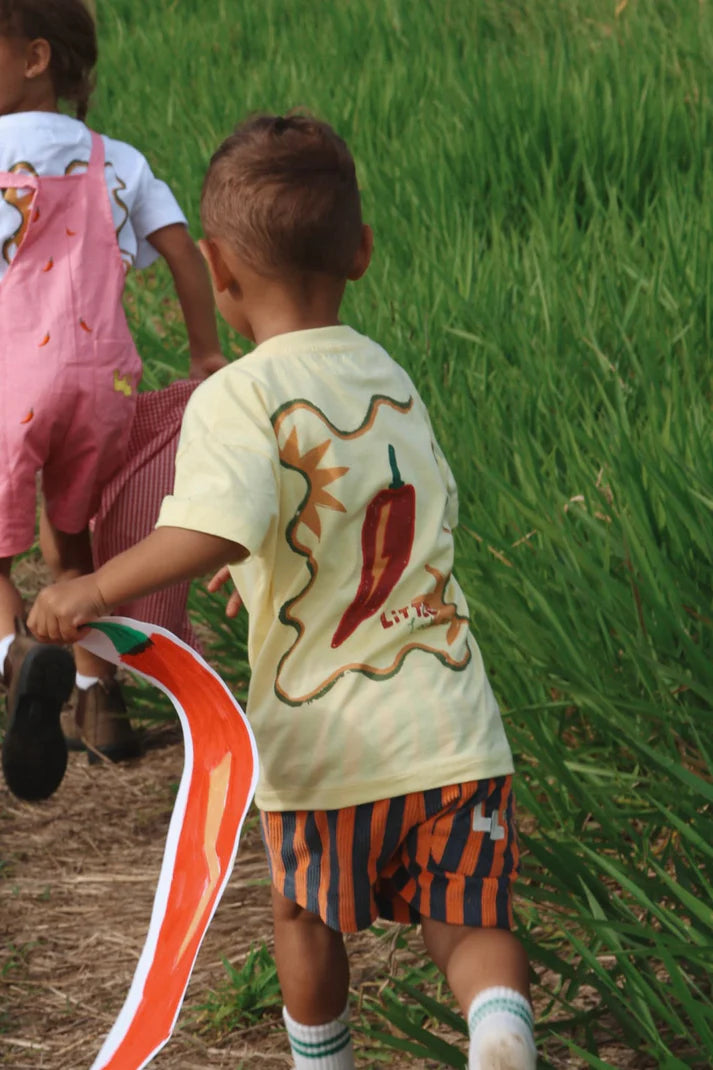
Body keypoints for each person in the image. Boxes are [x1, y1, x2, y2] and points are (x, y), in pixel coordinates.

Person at [28, 113, 537, 1070]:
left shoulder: (236, 394)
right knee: (466, 923)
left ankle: (321, 1061)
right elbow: (371, 510)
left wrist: (92, 585)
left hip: (324, 740)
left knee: (303, 910)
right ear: (362, 253)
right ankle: (498, 1027)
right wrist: (260, 551)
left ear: (215, 273)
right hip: (455, 726)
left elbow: (209, 524)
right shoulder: (388, 372)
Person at [0, 0, 225, 796]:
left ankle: (19, 655)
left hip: (5, 381)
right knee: (75, 546)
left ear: (34, 59)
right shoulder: (113, 158)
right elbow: (181, 252)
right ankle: (102, 704)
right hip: (103, 382)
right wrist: (205, 352)